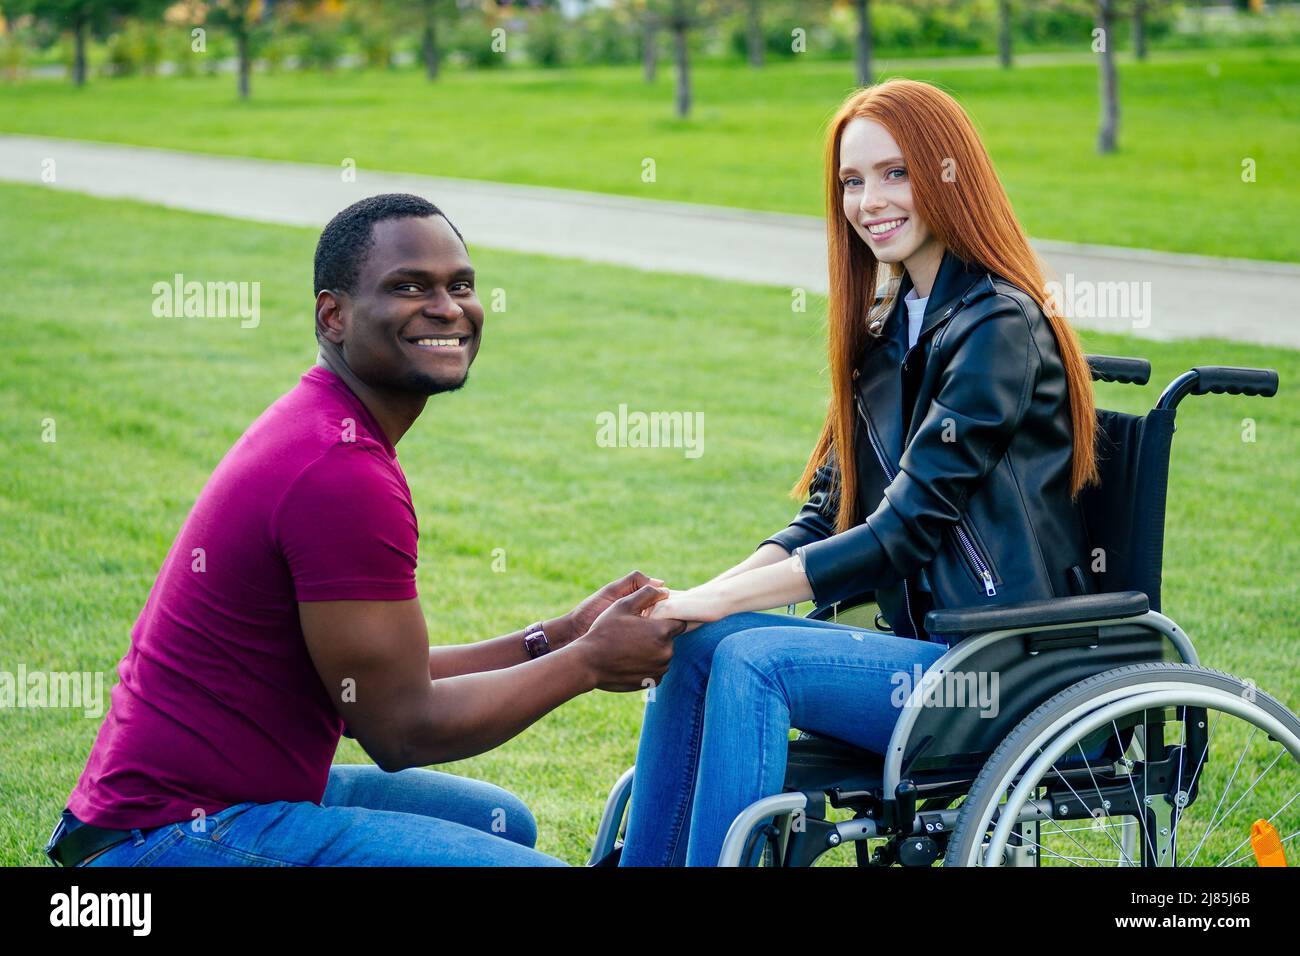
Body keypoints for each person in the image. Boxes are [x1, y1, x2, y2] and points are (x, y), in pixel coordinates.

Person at [48, 193, 684, 868]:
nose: (446, 308)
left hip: (161, 815)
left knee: (503, 825)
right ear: (334, 315)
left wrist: (558, 635)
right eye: (408, 286)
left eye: (460, 285)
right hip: (164, 838)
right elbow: (402, 730)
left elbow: (375, 692)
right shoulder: (339, 470)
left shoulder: (328, 427)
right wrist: (588, 663)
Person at [617, 79, 1101, 867]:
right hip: (926, 655)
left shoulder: (998, 325)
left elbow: (901, 536)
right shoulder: (886, 329)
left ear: (950, 175)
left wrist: (713, 604)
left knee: (750, 655)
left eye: (895, 173)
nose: (868, 199)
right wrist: (692, 603)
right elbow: (828, 516)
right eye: (851, 180)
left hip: (1000, 667)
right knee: (706, 644)